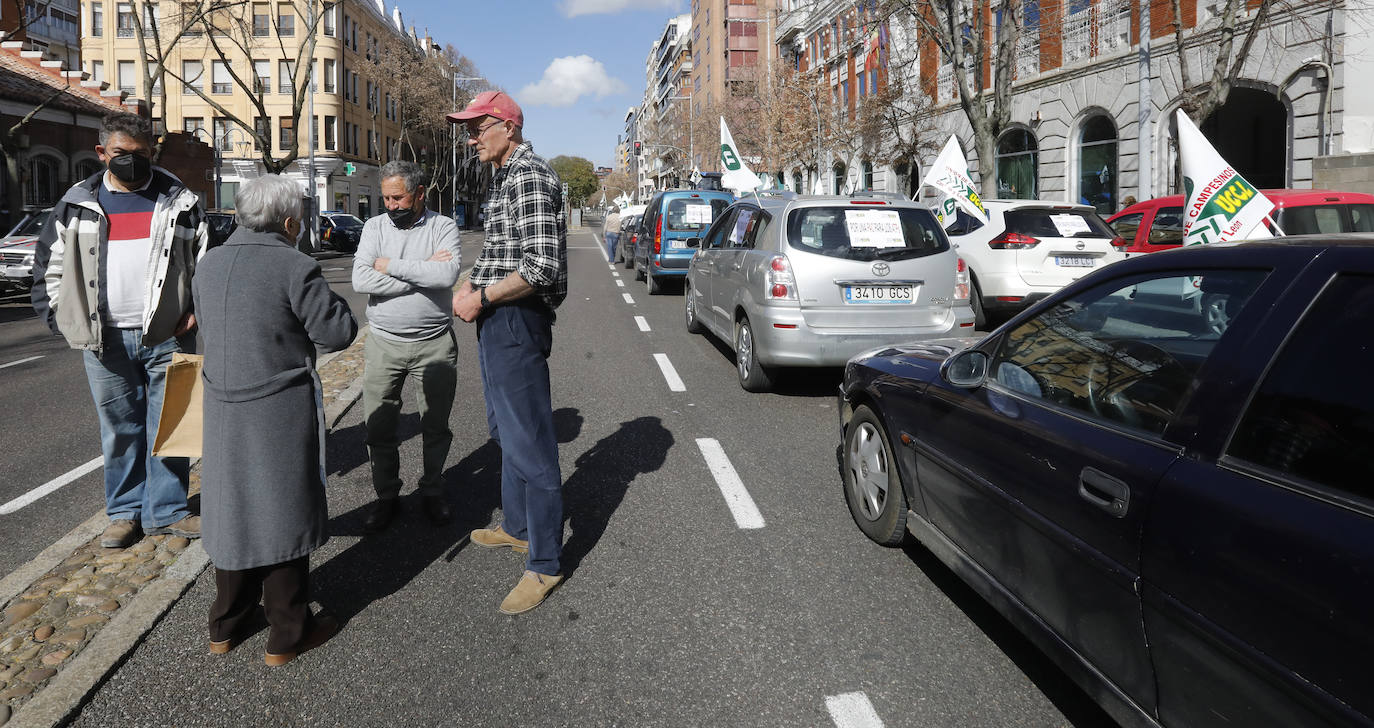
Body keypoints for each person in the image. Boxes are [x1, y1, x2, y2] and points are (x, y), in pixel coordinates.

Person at [193, 174, 357, 666]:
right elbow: (338, 332)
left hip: (222, 404)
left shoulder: (209, 264)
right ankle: (288, 630)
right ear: (289, 221)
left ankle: (227, 621)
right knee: (281, 508)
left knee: (231, 507)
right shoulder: (294, 264)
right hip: (276, 406)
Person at [31, 112, 205, 549]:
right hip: (103, 339)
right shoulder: (75, 204)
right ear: (102, 153)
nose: (132, 161)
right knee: (120, 430)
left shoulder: (178, 200)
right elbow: (48, 270)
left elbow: (207, 259)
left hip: (169, 335)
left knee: (172, 427)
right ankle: (125, 513)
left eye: (142, 154)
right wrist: (65, 320)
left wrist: (198, 310)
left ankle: (167, 510)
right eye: (122, 154)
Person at [449, 91, 568, 615]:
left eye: (478, 128)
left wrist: (482, 296)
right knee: (503, 431)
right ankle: (518, 529)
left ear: (508, 127)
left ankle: (544, 564)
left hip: (517, 321)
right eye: (469, 129)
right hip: (499, 320)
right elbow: (502, 253)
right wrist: (472, 281)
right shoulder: (505, 178)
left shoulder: (529, 177)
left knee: (531, 444)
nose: (471, 138)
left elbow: (541, 267)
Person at [351, 160, 462, 533]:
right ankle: (386, 496)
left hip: (435, 344)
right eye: (386, 198)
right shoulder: (374, 227)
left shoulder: (443, 226)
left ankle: (432, 490)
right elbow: (359, 279)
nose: (391, 205)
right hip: (384, 343)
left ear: (419, 193)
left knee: (435, 426)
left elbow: (446, 274)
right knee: (378, 427)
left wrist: (391, 266)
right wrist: (418, 271)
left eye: (398, 197)